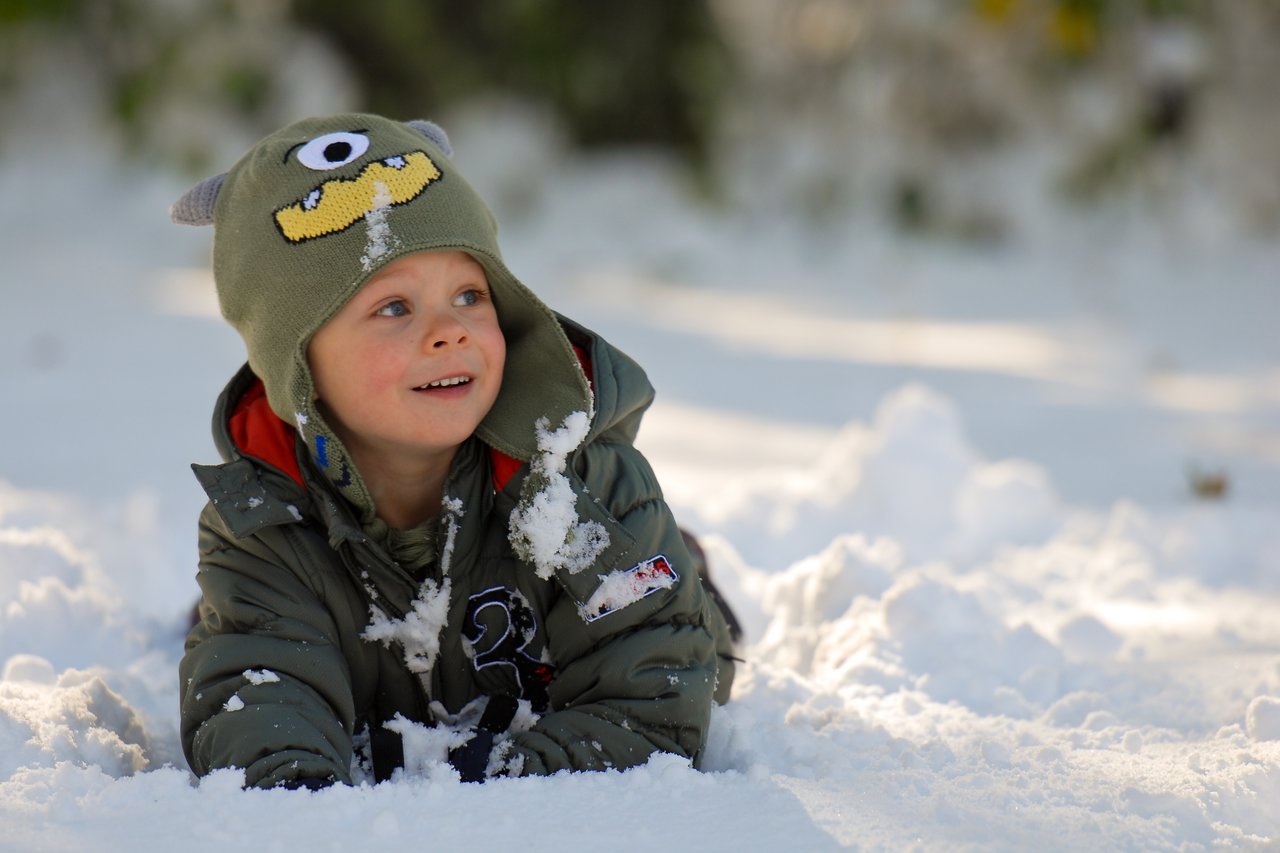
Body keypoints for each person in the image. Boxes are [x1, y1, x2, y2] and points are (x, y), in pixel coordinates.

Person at [172, 113, 738, 789]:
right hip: (313, 587)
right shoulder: (265, 527)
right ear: (298, 364)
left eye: (470, 294)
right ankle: (210, 611)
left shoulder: (579, 485)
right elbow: (258, 706)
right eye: (393, 308)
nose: (449, 331)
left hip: (611, 593)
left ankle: (688, 560)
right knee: (244, 620)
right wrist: (302, 794)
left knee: (693, 622)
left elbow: (657, 701)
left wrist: (495, 776)